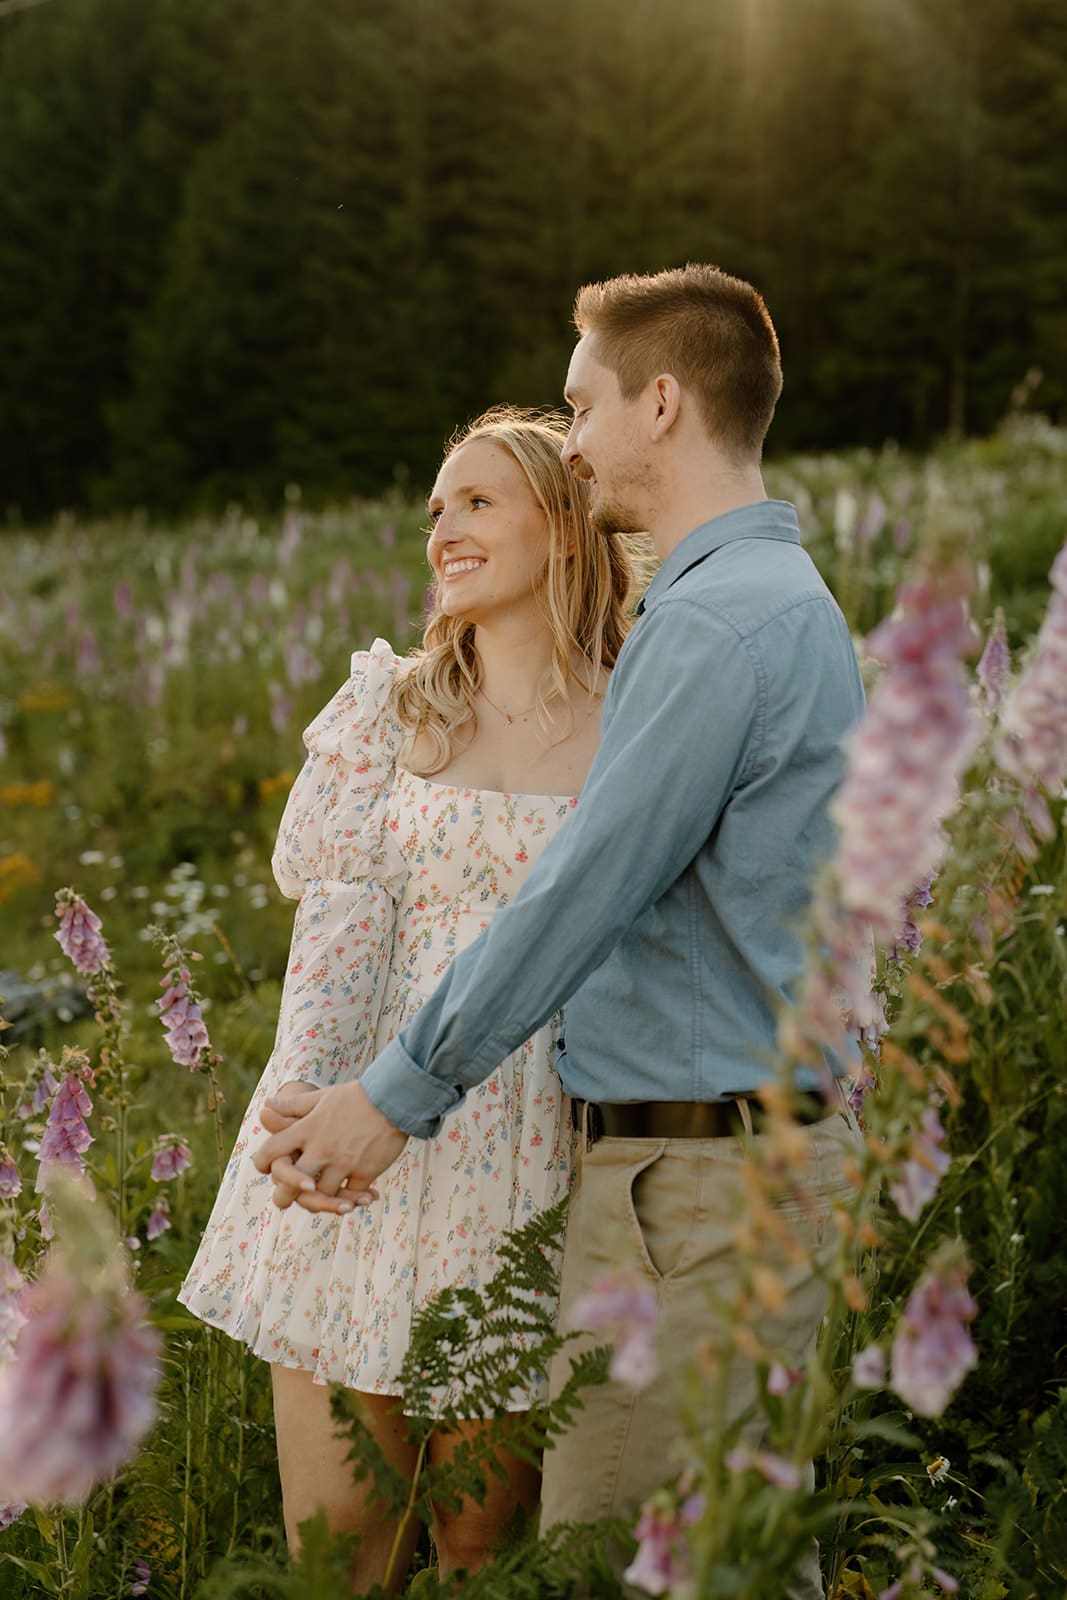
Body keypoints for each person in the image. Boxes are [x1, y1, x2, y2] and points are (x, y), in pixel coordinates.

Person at [256, 265, 867, 1599]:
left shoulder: (709, 628)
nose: (572, 436)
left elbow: (583, 887)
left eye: (582, 407)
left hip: (689, 1189)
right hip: (732, 1161)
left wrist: (392, 1097)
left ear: (660, 404)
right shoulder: (777, 601)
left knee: (619, 1563)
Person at [179, 407, 637, 1593]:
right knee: (341, 1557)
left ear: (565, 522)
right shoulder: (389, 706)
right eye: (436, 507)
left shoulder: (634, 722)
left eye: (477, 501)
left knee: (483, 1552)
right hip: (355, 1151)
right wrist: (306, 1120)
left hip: (524, 1168)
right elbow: (332, 924)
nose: (443, 527)